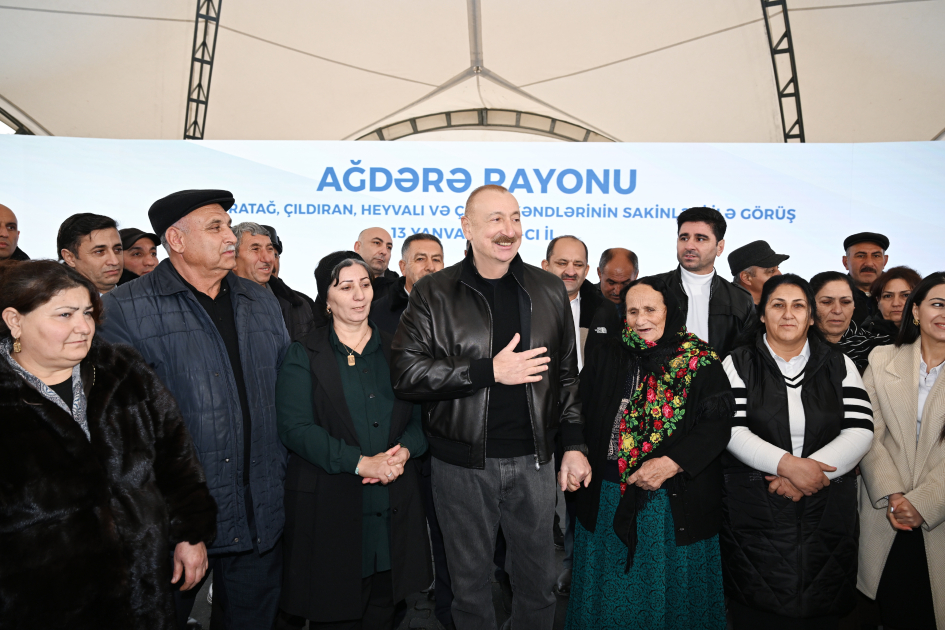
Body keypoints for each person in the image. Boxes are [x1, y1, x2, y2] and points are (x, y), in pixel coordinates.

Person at [391, 184, 591, 630]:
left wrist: (574, 444)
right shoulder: (434, 293)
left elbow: (566, 378)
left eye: (516, 218)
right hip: (461, 465)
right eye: (496, 219)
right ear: (467, 226)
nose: (509, 230)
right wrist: (486, 371)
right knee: (469, 587)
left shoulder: (549, 289)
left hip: (535, 462)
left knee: (537, 585)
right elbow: (405, 374)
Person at [98, 189, 291, 630]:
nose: (231, 237)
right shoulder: (125, 309)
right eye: (216, 227)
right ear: (177, 240)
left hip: (260, 512)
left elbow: (282, 395)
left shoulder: (260, 300)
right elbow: (124, 436)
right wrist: (182, 523)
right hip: (172, 525)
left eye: (228, 225)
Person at [0, 259, 216, 630]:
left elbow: (176, 458)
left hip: (142, 586)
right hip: (39, 597)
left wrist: (191, 534)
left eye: (87, 312)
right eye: (64, 315)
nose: (83, 327)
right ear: (15, 320)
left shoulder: (123, 369)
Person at [565, 277, 734, 630]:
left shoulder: (701, 361)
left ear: (670, 312)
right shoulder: (607, 353)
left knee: (669, 603)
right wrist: (573, 448)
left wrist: (671, 463)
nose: (641, 319)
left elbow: (716, 426)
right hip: (607, 494)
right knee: (610, 600)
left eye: (651, 310)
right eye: (632, 311)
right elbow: (574, 407)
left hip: (673, 501)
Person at [275, 251, 432, 628]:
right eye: (346, 287)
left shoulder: (400, 350)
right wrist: (363, 463)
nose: (359, 295)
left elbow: (423, 418)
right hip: (332, 506)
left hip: (394, 504)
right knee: (335, 615)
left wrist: (405, 451)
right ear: (326, 299)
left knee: (386, 611)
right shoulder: (303, 353)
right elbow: (295, 429)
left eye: (365, 285)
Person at [720, 274, 874, 629]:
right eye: (778, 305)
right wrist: (788, 465)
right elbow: (731, 429)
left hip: (826, 514)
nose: (788, 314)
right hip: (757, 514)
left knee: (822, 613)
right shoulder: (737, 363)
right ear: (762, 314)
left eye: (798, 305)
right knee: (758, 615)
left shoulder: (840, 364)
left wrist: (810, 476)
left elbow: (861, 429)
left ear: (810, 317)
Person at [857, 271, 945, 630]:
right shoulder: (881, 358)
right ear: (916, 311)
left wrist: (924, 502)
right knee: (896, 612)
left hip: (939, 511)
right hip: (887, 513)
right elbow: (866, 431)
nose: (944, 313)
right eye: (937, 304)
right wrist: (895, 496)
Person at [540, 234, 606, 596]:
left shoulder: (605, 310)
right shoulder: (526, 303)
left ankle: (574, 567)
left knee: (580, 498)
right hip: (535, 419)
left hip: (586, 422)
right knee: (532, 503)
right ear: (545, 264)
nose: (570, 271)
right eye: (562, 263)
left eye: (578, 264)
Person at [652, 207, 754, 358]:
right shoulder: (651, 288)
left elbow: (747, 356)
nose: (689, 246)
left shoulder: (740, 299)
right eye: (684, 238)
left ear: (720, 247)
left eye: (700, 239)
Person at [810, 271, 891, 373]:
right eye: (827, 302)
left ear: (854, 306)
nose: (837, 310)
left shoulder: (882, 347)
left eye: (845, 302)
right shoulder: (794, 348)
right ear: (810, 306)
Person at [371, 233, 444, 335]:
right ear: (403, 267)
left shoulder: (458, 309)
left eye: (436, 260)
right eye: (420, 259)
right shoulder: (375, 313)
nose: (430, 267)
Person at [585, 248, 638, 358]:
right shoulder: (583, 302)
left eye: (625, 283)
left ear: (636, 275)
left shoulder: (646, 306)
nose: (618, 291)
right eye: (611, 282)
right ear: (599, 273)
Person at [57, 213, 124, 295]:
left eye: (117, 250)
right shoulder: (53, 304)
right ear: (69, 257)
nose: (115, 261)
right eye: (99, 251)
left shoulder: (139, 298)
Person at [842, 232, 889, 325]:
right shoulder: (831, 293)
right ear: (845, 262)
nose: (869, 263)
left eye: (876, 256)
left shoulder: (902, 295)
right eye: (860, 256)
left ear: (885, 261)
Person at [865, 265, 922, 338]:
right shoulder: (858, 343)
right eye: (888, 296)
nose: (896, 303)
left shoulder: (934, 337)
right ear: (878, 302)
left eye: (905, 295)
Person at [727, 240, 788, 305]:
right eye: (771, 271)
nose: (780, 274)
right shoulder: (725, 310)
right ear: (746, 278)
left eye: (777, 268)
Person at [354, 227, 398, 302]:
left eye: (389, 247)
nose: (384, 252)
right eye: (377, 243)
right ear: (358, 247)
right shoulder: (336, 280)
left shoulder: (399, 290)